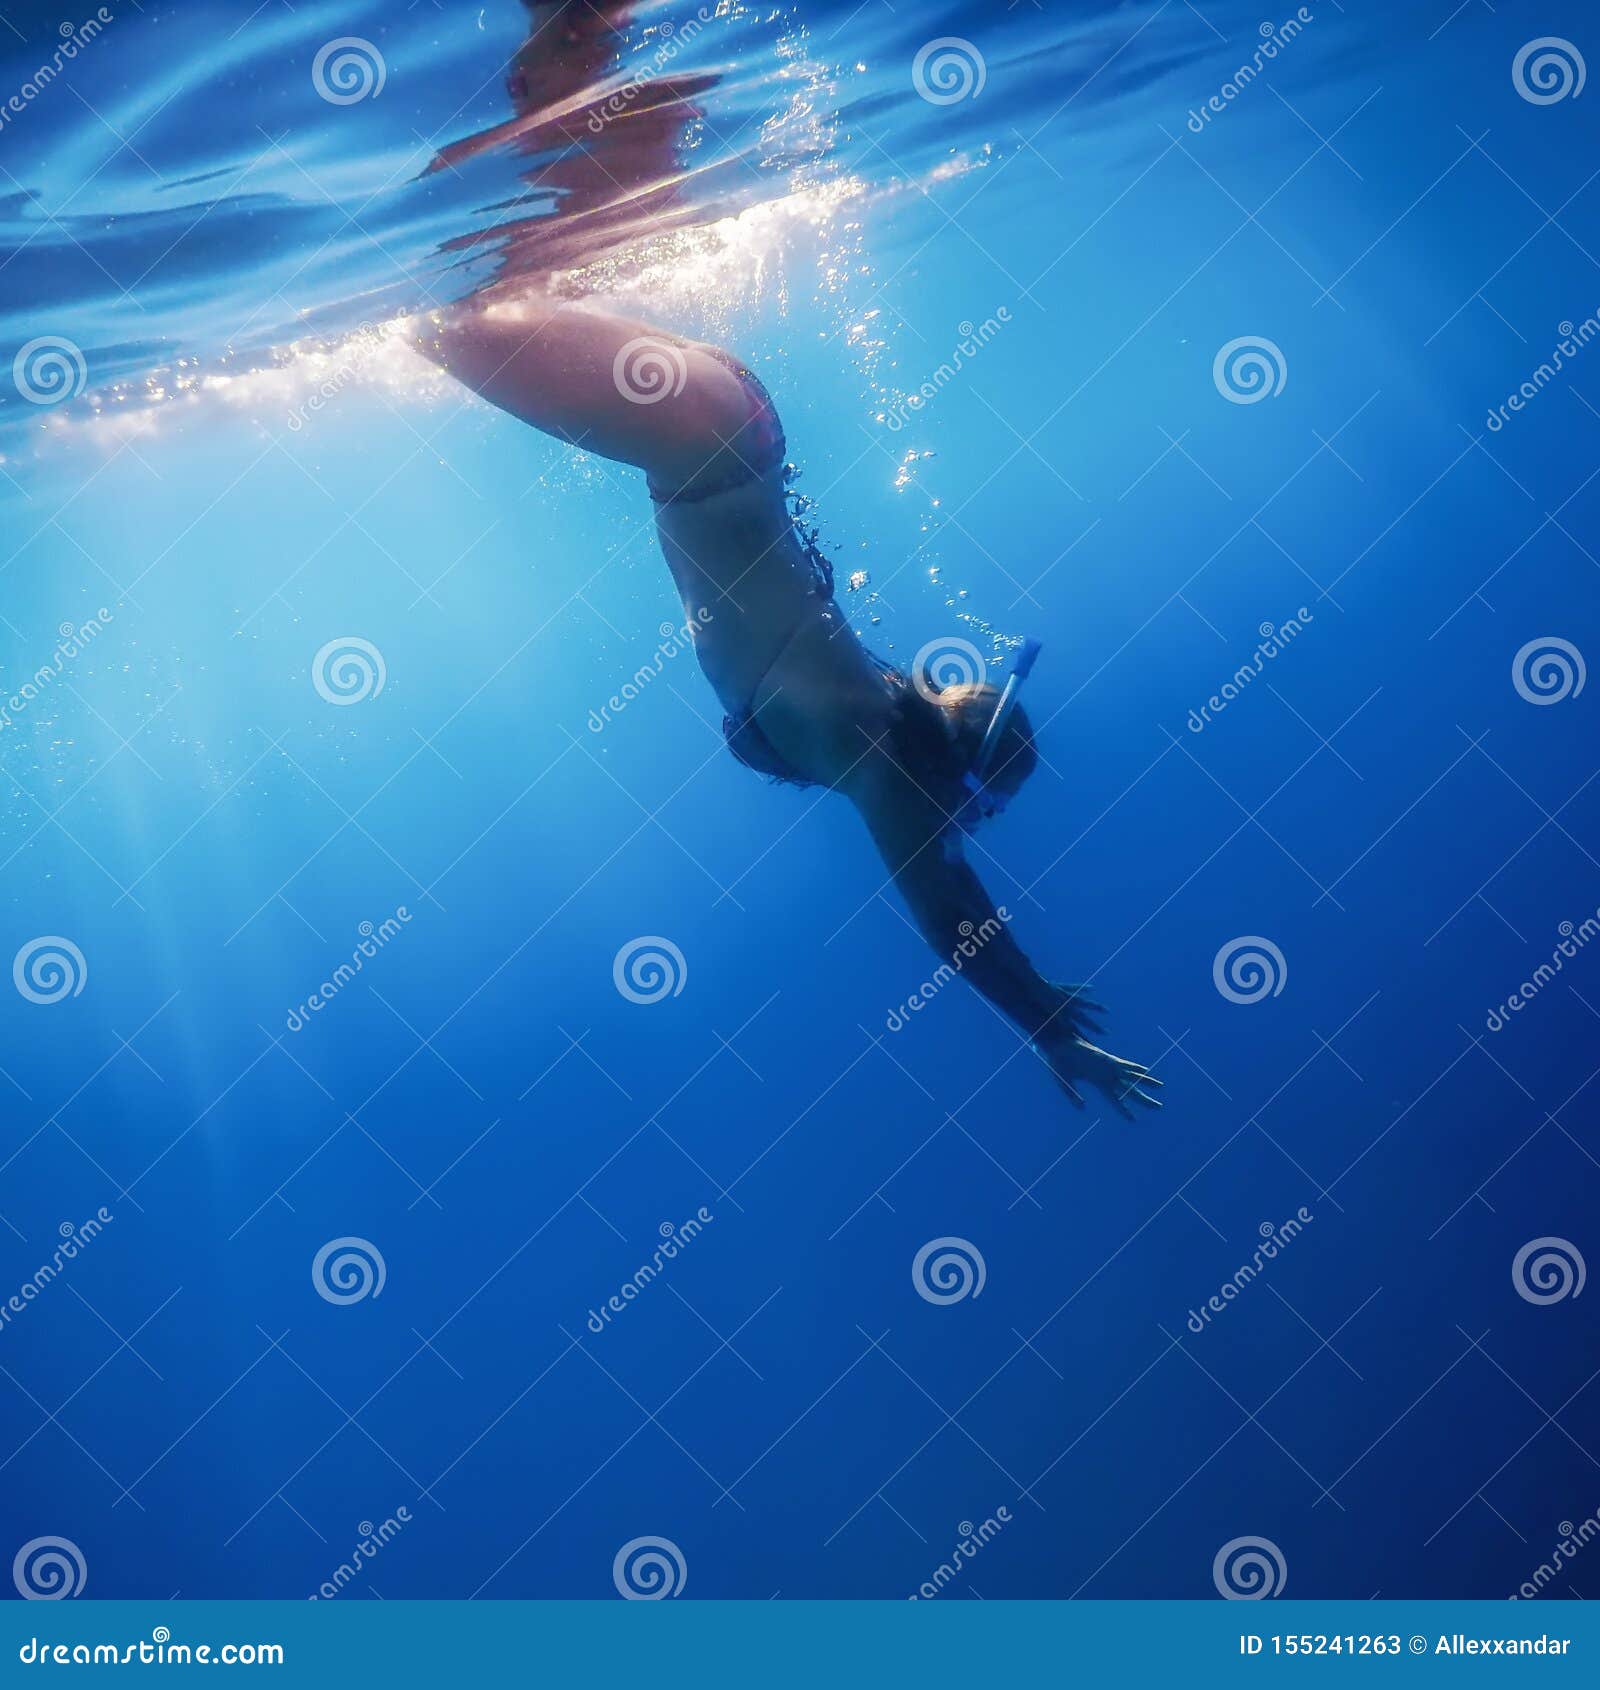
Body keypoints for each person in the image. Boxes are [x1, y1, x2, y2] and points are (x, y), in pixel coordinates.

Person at [412, 0, 1161, 1116]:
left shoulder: (880, 726)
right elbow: (947, 905)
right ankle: (584, 42)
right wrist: (1040, 1017)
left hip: (727, 434)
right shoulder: (871, 754)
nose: (964, 674)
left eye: (974, 695)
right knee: (445, 308)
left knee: (482, 289)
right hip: (700, 446)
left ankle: (579, 40)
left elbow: (948, 880)